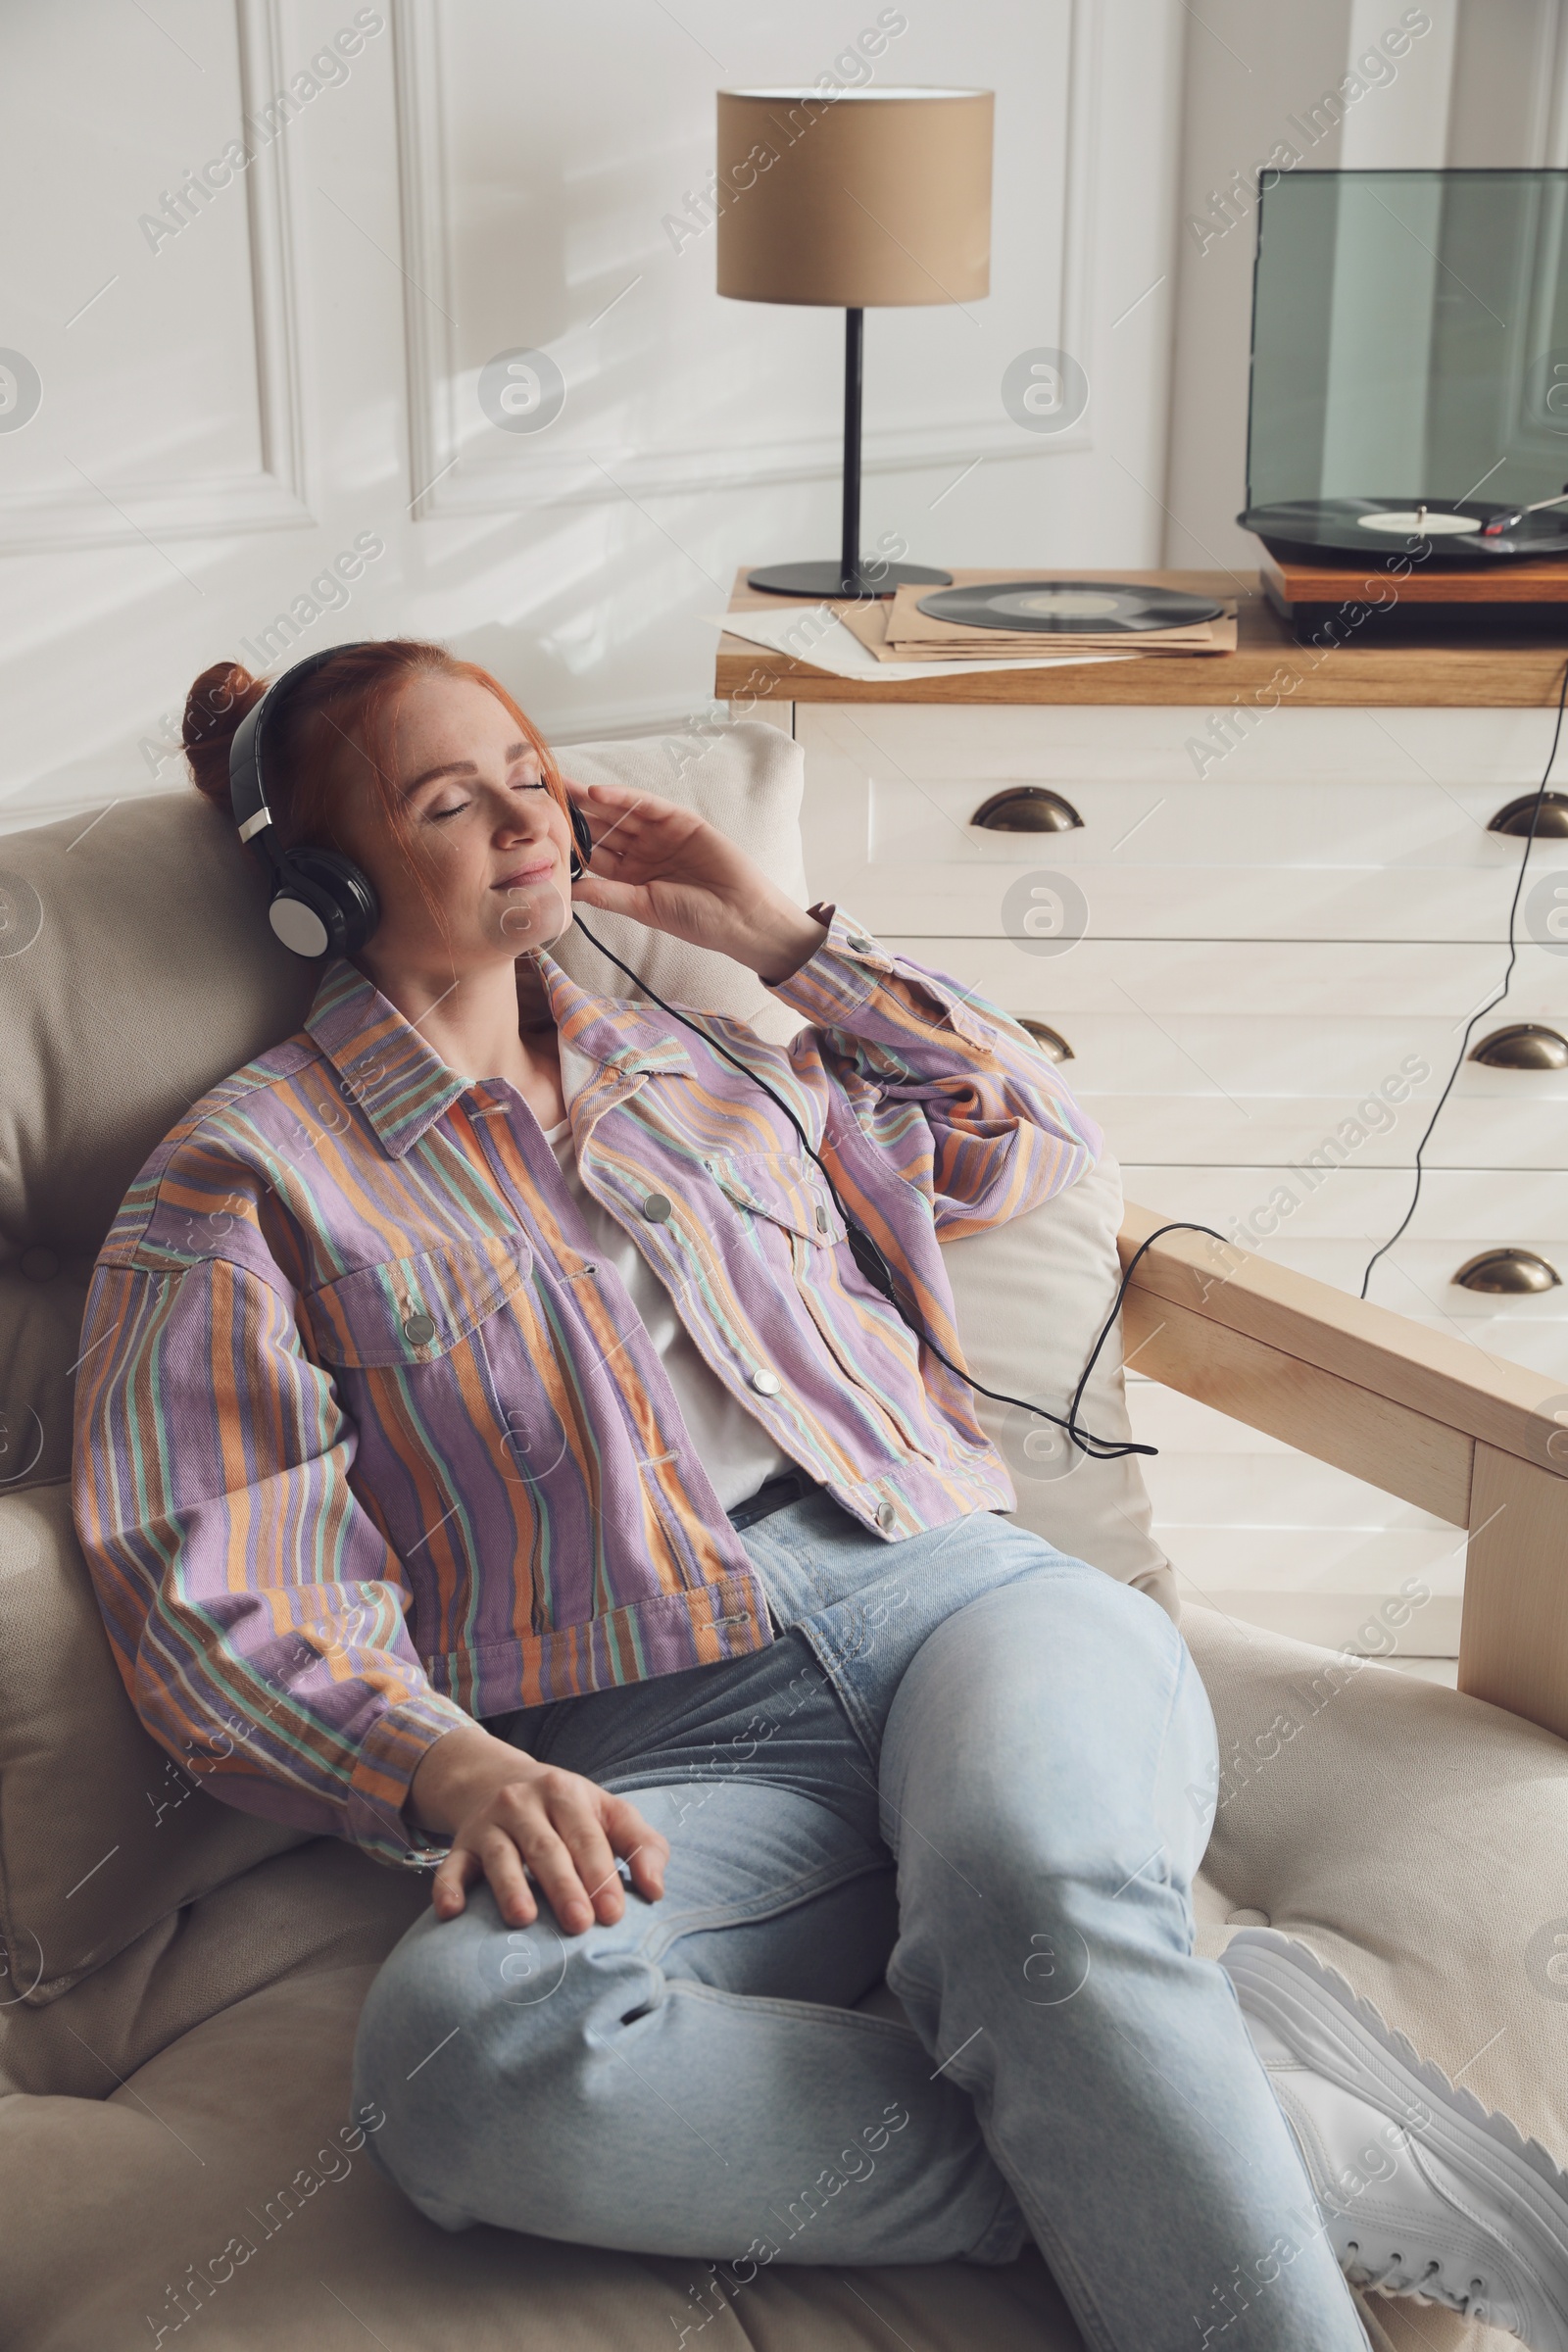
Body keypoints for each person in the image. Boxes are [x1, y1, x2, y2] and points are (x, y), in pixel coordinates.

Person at [72, 639, 1559, 2352]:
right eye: (445, 801)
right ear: (328, 883)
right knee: (466, 2061)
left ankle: (1157, 2117)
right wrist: (443, 1763)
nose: (521, 818)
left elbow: (1030, 1144)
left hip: (969, 1613)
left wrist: (770, 934)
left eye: (525, 770)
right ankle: (1272, 2131)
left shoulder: (711, 1056)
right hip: (662, 1748)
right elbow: (212, 1576)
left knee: (1032, 1897)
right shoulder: (243, 1177)